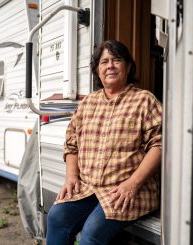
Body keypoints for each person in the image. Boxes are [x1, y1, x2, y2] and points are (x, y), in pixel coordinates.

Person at [46, 40, 162, 245]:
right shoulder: (88, 103)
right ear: (97, 70)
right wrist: (71, 176)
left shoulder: (145, 100)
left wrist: (132, 184)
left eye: (117, 60)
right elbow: (71, 142)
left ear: (128, 67)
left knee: (92, 233)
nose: (110, 65)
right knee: (57, 217)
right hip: (88, 188)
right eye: (104, 62)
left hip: (127, 190)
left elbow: (160, 145)